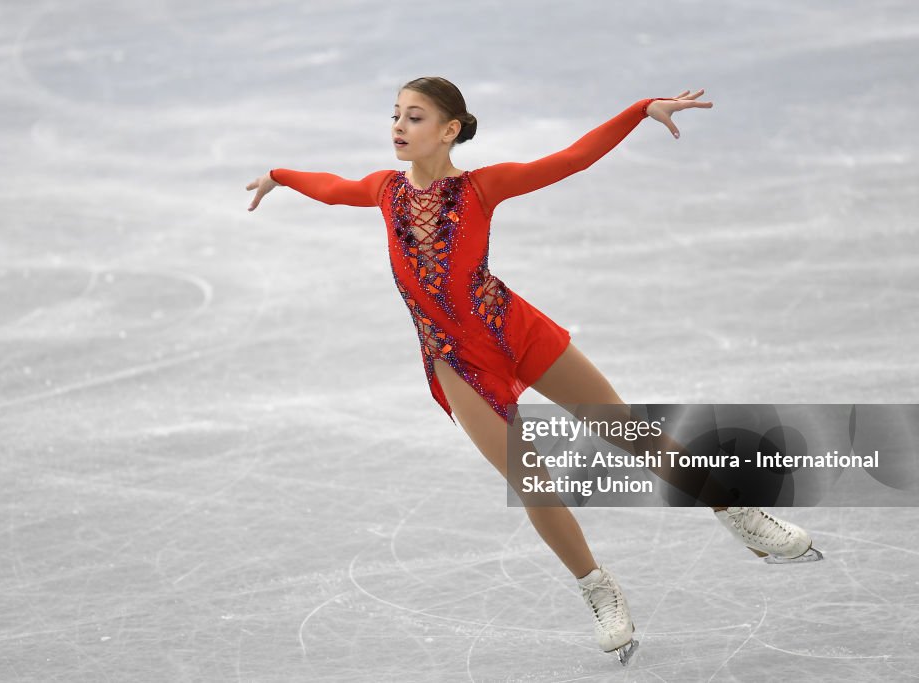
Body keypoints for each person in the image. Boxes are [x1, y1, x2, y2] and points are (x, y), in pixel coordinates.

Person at [245, 76, 822, 666]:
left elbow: (571, 158)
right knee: (532, 480)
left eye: (414, 118)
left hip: (512, 328)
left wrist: (641, 109)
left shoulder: (482, 188)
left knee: (627, 430)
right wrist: (280, 176)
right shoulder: (383, 190)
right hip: (455, 360)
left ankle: (737, 513)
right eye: (395, 115)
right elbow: (332, 186)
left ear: (449, 131)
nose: (397, 126)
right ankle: (598, 588)